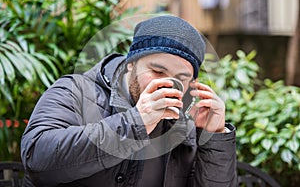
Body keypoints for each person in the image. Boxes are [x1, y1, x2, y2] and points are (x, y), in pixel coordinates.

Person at [21, 15, 237, 187]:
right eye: (157, 71)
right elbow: (37, 159)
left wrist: (214, 138)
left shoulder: (184, 125)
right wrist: (136, 122)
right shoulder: (75, 91)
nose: (167, 84)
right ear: (130, 64)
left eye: (181, 78)